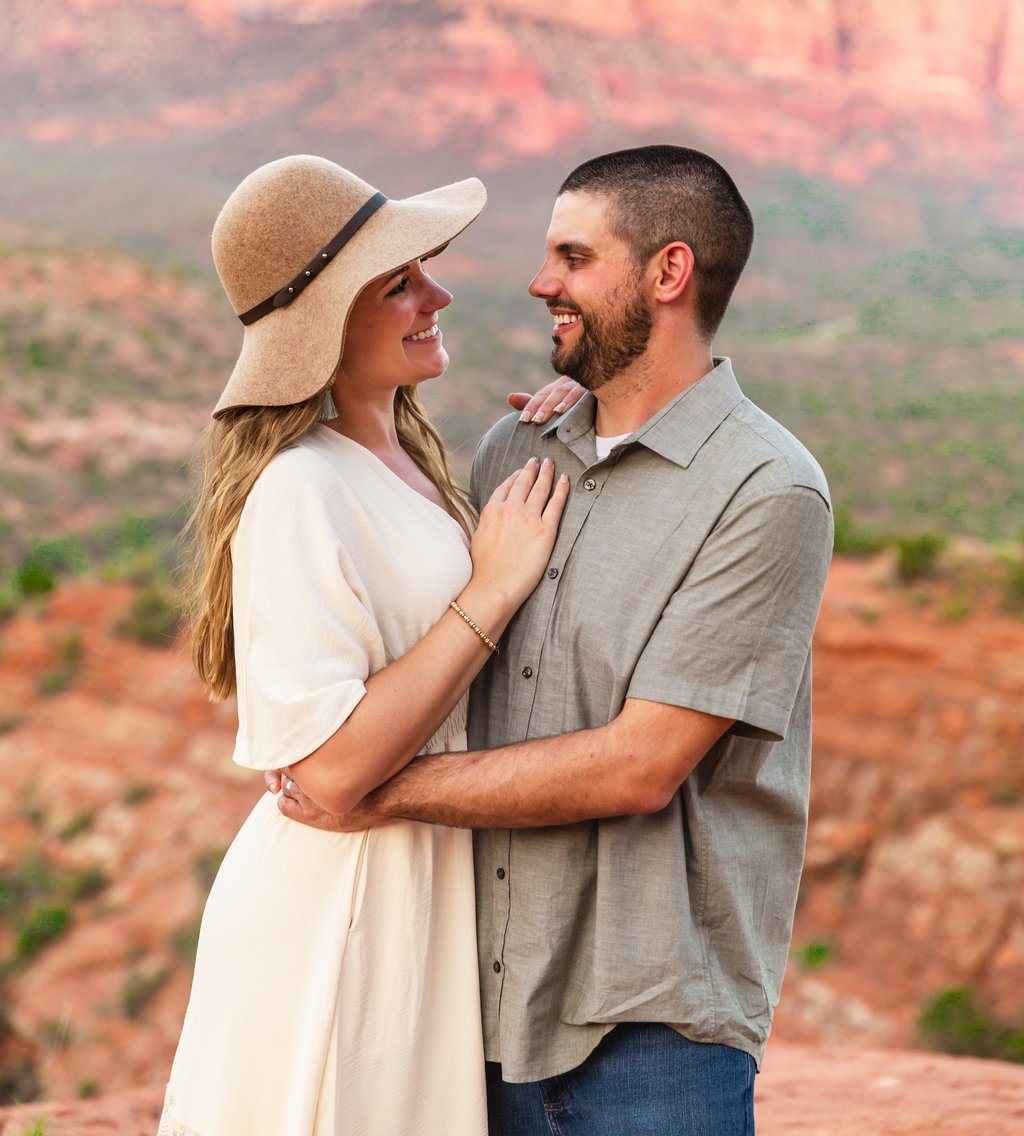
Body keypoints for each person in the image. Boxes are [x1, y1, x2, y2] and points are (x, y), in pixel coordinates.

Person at [273, 144, 834, 1136]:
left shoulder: (764, 490)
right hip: (473, 1011)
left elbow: (639, 767)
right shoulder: (514, 451)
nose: (541, 282)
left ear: (667, 273)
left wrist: (372, 793)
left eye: (573, 257)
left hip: (651, 1030)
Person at [157, 153, 571, 1136]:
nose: (439, 295)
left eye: (424, 271)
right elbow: (332, 772)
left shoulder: (406, 461)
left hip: (412, 885)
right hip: (342, 905)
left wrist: (568, 435)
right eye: (399, 285)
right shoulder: (300, 488)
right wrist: (491, 587)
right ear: (326, 321)